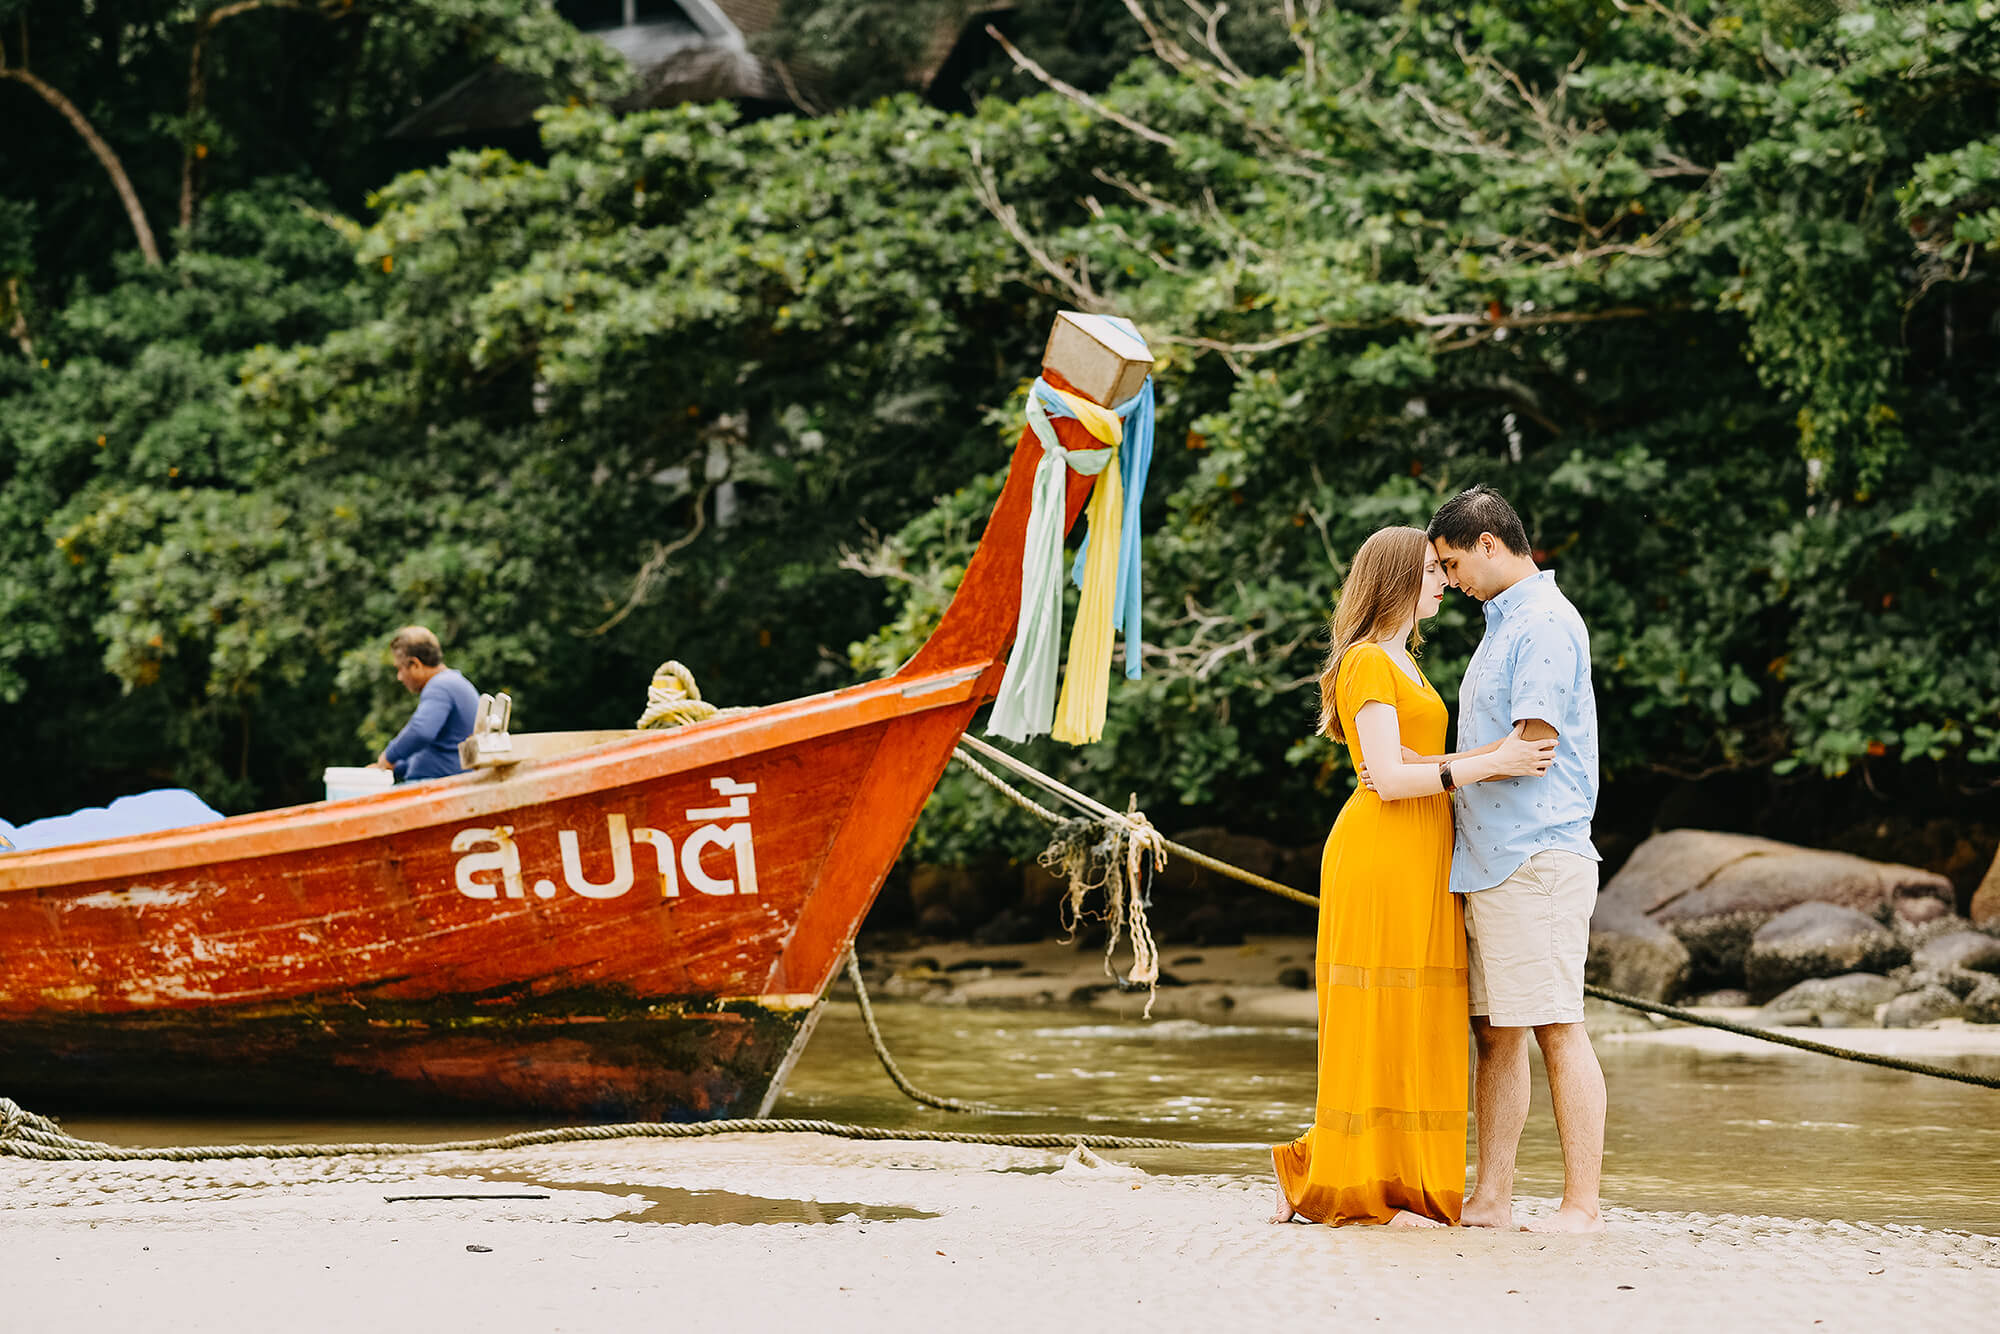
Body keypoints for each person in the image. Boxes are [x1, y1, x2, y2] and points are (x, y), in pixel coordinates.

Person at [1272, 526, 1555, 1228]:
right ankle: (1328, 1171)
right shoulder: (1369, 661)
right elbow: (1392, 780)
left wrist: (1502, 750)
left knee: (1420, 1015)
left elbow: (1421, 761)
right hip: (1382, 850)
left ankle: (1403, 1178)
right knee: (1378, 1014)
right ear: (1395, 579)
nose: (1443, 581)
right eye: (1431, 570)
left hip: (1427, 851)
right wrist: (1495, 763)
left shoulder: (1410, 663)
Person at [1426, 484, 1607, 1234]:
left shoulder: (1544, 625)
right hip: (1493, 861)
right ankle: (1492, 1200)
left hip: (1537, 856)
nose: (1448, 578)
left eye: (1452, 562)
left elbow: (1531, 749)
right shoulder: (1504, 625)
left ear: (1490, 545)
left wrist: (1427, 770)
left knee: (1557, 1025)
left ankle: (1581, 1208)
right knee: (1496, 1035)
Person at [369, 626, 480, 783]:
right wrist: (392, 767)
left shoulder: (440, 686)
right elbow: (435, 750)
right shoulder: (452, 683)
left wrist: (389, 756)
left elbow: (421, 731)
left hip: (438, 785)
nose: (399, 677)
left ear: (415, 665)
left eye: (400, 669)